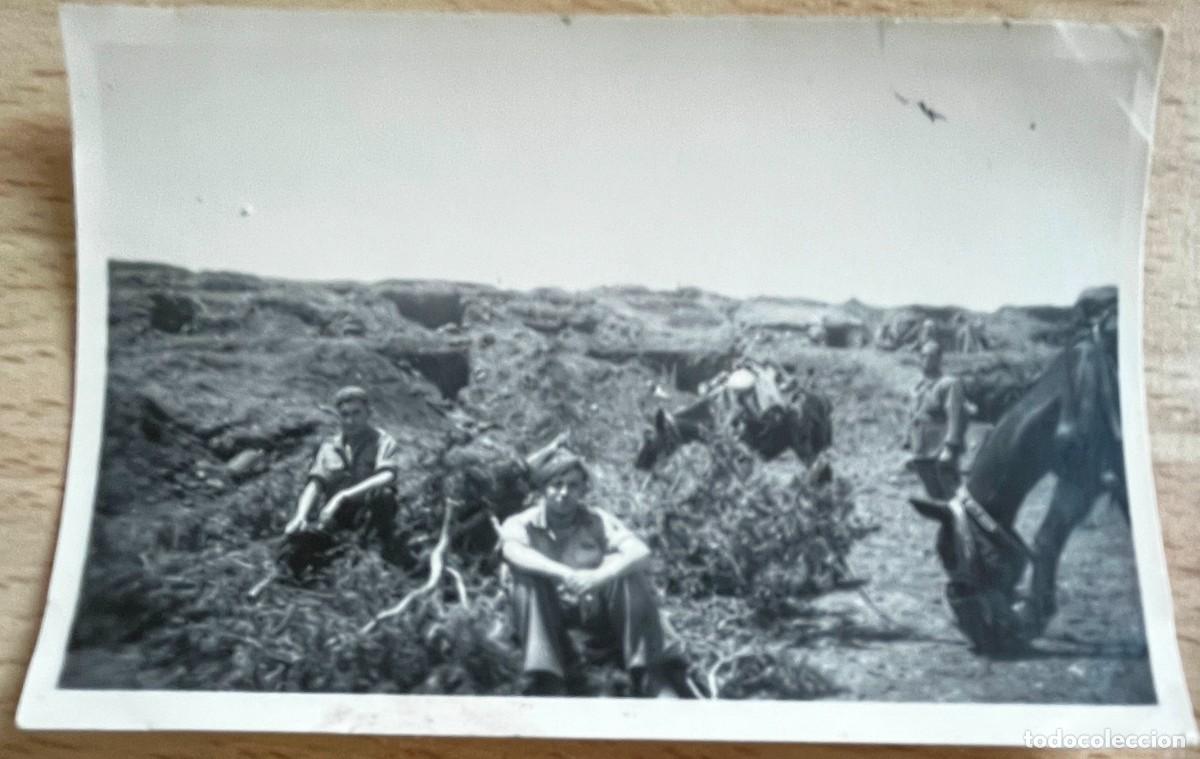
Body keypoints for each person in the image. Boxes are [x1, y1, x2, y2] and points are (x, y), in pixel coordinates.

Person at [498, 448, 686, 697]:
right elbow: (512, 551)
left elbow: (639, 551)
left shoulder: (596, 520)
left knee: (627, 573)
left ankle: (650, 672)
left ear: (582, 489)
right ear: (543, 488)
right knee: (524, 578)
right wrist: (564, 574)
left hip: (595, 611)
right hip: (547, 617)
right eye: (556, 484)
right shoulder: (523, 522)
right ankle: (546, 678)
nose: (564, 493)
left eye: (573, 485)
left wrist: (600, 576)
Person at [284, 386, 403, 554]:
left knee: (384, 495)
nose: (350, 420)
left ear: (368, 413)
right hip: (336, 515)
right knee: (297, 543)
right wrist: (300, 515)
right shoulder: (329, 446)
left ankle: (380, 548)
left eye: (356, 413)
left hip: (367, 511)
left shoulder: (383, 441)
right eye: (345, 415)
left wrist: (343, 496)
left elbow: (388, 475)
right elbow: (315, 483)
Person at [905, 341, 968, 499]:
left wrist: (950, 447)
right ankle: (946, 522)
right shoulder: (917, 386)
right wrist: (908, 443)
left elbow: (954, 415)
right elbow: (912, 416)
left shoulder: (949, 384)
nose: (926, 359)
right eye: (923, 356)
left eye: (931, 356)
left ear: (939, 358)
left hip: (940, 448)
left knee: (952, 493)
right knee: (933, 495)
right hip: (921, 448)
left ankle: (963, 521)